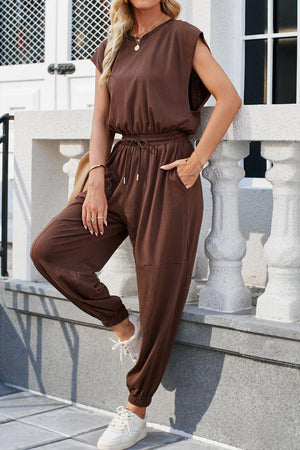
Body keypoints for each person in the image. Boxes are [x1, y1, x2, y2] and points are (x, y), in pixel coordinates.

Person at [30, 0, 242, 448]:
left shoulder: (184, 37)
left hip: (170, 172)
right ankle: (124, 328)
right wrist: (96, 177)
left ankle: (135, 409)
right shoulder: (110, 46)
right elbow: (101, 120)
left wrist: (196, 161)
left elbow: (229, 98)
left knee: (160, 291)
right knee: (51, 251)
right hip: (121, 168)